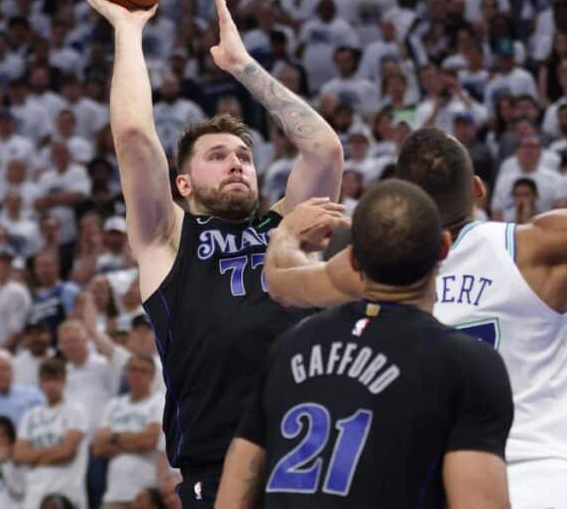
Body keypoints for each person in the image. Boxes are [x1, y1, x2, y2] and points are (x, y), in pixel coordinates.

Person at [265, 38, 567, 508]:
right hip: (553, 482)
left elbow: (283, 283)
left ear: (404, 197)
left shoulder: (375, 271)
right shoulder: (537, 244)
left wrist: (286, 232)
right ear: (479, 189)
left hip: (445, 488)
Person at [81, 0, 344, 509]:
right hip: (218, 463)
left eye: (244, 157)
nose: (236, 164)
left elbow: (323, 151)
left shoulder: (284, 227)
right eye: (218, 156)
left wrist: (244, 67)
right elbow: (133, 136)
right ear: (183, 184)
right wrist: (128, 29)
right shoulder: (166, 237)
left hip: (313, 450)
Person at [216, 180, 513, 508]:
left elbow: (234, 489)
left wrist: (284, 235)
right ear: (444, 247)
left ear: (353, 259)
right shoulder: (468, 363)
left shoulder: (291, 344)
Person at [14, 358, 88, 509]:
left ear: (64, 381)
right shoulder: (30, 416)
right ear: (40, 383)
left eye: (56, 379)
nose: (52, 385)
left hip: (66, 488)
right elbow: (19, 454)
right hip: (35, 491)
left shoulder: (76, 410)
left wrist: (35, 457)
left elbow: (66, 452)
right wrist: (52, 451)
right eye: (47, 380)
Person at [91, 354, 163, 508]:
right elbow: (98, 447)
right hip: (114, 493)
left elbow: (150, 441)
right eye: (132, 369)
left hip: (145, 492)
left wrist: (114, 437)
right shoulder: (113, 405)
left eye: (142, 371)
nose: (136, 375)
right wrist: (136, 440)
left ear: (152, 376)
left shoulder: (159, 402)